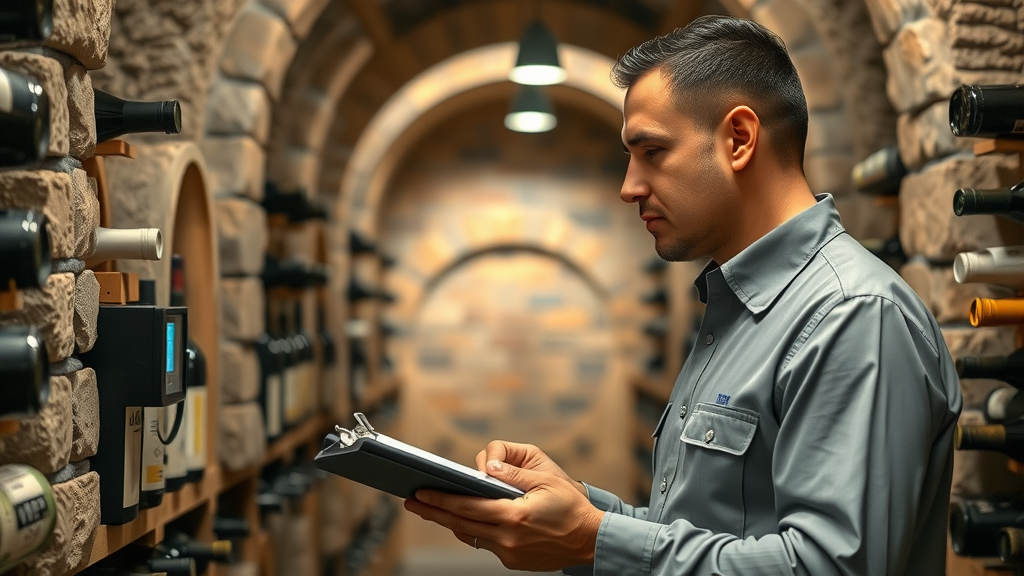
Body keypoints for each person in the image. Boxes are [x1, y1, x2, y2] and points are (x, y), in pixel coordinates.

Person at [404, 15, 962, 576]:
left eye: (652, 151)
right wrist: (581, 511)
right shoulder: (738, 310)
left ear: (738, 140)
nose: (629, 187)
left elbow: (830, 567)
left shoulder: (854, 317)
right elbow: (706, 533)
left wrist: (592, 541)